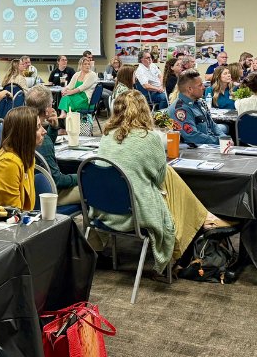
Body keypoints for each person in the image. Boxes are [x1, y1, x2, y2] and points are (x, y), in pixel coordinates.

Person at [96, 91, 231, 277]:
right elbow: (158, 180)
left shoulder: (106, 136)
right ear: (144, 111)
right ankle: (201, 223)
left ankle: (203, 219)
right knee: (167, 180)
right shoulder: (148, 139)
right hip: (134, 213)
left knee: (168, 176)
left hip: (104, 208)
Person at [0, 106, 42, 209]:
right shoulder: (8, 163)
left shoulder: (28, 157)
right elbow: (12, 212)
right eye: (38, 127)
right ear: (25, 133)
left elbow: (26, 208)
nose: (44, 131)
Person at [25, 86, 80, 205]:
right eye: (51, 104)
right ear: (46, 111)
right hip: (47, 195)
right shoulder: (43, 141)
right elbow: (57, 181)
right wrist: (80, 176)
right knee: (93, 185)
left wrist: (54, 128)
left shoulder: (23, 126)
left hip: (28, 188)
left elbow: (43, 148)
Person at [171, 69, 229, 145]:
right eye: (200, 85)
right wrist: (219, 141)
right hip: (197, 149)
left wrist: (223, 138)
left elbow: (212, 124)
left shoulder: (199, 102)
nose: (203, 87)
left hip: (208, 143)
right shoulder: (180, 110)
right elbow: (193, 136)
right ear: (190, 89)